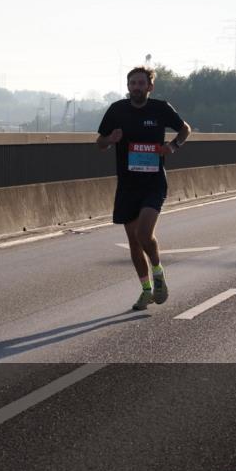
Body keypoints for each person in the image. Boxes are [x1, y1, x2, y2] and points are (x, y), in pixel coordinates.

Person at [97, 66, 191, 311]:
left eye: (141, 83)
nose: (136, 87)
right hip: (127, 185)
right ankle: (146, 290)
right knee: (134, 243)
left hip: (153, 183)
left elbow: (185, 129)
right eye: (132, 83)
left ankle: (158, 271)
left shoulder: (160, 108)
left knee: (143, 233)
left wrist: (173, 146)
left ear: (150, 87)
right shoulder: (117, 110)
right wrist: (110, 139)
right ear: (128, 87)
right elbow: (99, 143)